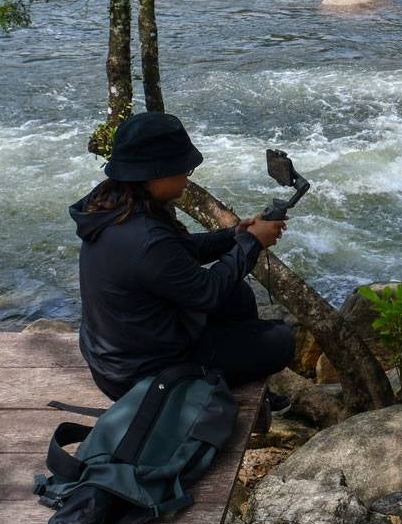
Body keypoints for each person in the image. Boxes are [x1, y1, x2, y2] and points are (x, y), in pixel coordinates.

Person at [69, 112, 295, 408]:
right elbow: (208, 292)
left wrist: (235, 235)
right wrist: (252, 242)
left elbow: (179, 250)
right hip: (141, 375)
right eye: (183, 168)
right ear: (155, 173)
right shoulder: (146, 238)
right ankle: (214, 386)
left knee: (237, 295)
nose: (188, 176)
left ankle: (236, 377)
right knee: (281, 341)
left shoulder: (114, 205)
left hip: (119, 354)